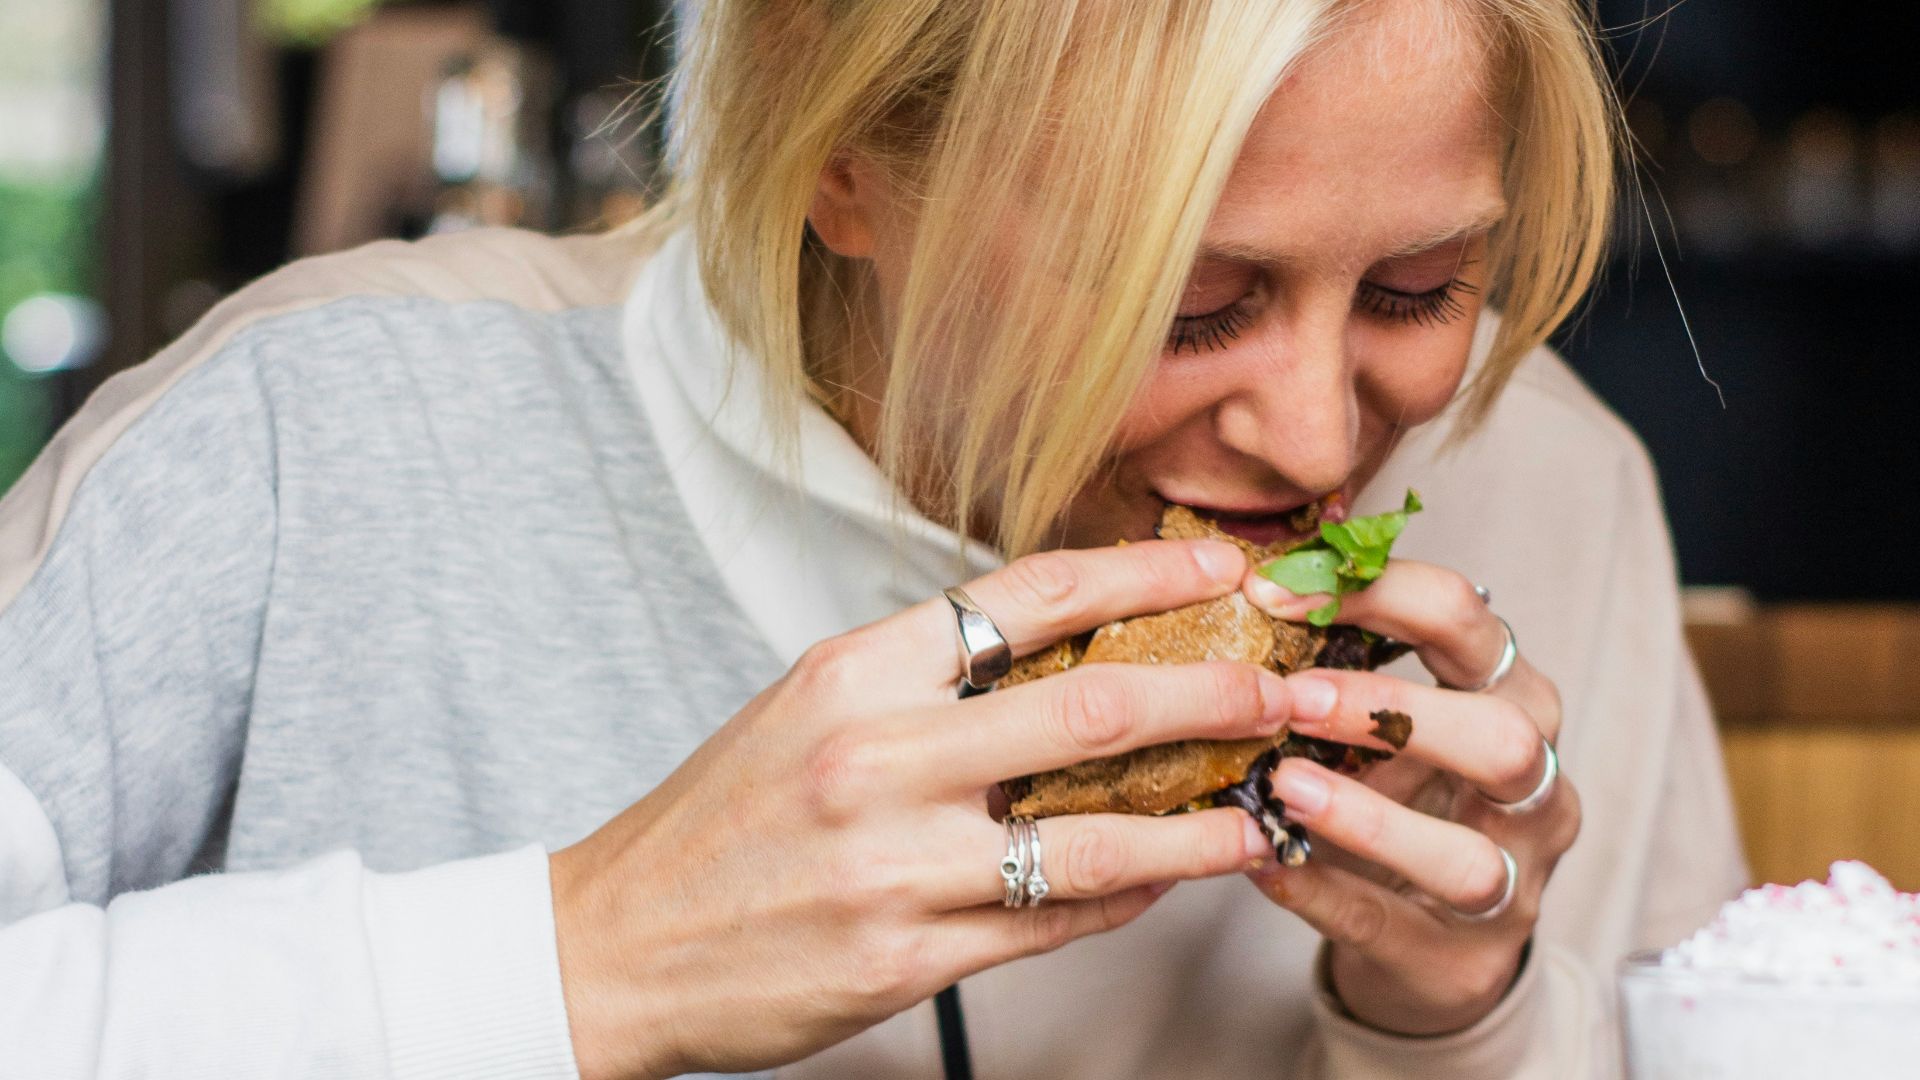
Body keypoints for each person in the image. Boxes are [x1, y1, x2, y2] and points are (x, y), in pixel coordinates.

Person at [0, 0, 1747, 1076]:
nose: (1318, 437)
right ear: (841, 159)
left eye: (1421, 290)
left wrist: (1462, 1016)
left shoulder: (1556, 489)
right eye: (1189, 303)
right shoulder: (318, 429)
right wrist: (583, 955)